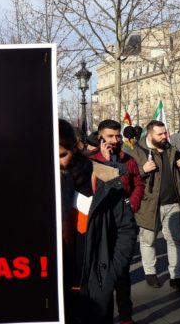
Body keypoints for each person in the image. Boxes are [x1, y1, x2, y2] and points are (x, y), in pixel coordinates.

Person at [59, 119, 137, 323]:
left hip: (96, 285)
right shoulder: (39, 181)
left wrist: (109, 273)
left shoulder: (105, 178)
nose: (57, 164)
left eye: (62, 156)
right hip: (57, 289)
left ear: (76, 148)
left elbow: (126, 229)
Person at [88, 119, 144, 324]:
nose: (115, 140)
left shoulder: (128, 160)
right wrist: (104, 161)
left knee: (122, 274)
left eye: (118, 136)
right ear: (100, 137)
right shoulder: (90, 160)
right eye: (110, 136)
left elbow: (138, 183)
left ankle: (126, 316)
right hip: (99, 226)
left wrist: (132, 205)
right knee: (101, 275)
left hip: (123, 224)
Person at [132, 120, 180, 293]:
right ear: (150, 135)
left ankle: (177, 277)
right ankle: (150, 273)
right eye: (161, 134)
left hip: (173, 203)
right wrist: (143, 169)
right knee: (148, 240)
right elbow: (129, 177)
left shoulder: (172, 149)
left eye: (165, 133)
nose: (165, 136)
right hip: (149, 205)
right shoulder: (138, 151)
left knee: (176, 240)